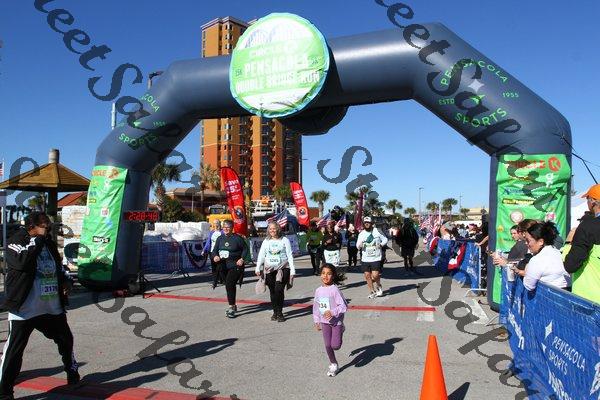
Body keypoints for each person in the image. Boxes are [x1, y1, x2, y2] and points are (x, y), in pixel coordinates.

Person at [1, 212, 79, 400]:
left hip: (50, 306)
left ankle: (72, 370)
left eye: (49, 226)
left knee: (65, 340)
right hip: (25, 309)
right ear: (32, 226)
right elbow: (20, 262)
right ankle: (4, 392)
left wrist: (66, 280)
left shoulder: (48, 244)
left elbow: (58, 267)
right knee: (14, 351)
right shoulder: (15, 242)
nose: (48, 229)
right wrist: (37, 240)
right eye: (45, 226)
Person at [563, 184, 600, 303]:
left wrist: (568, 242)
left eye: (587, 199)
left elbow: (570, 265)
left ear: (593, 201)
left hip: (590, 301)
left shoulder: (588, 226)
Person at [255, 222, 296, 322]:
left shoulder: (284, 240)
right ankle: (275, 312)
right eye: (270, 229)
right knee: (272, 291)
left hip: (283, 268)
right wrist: (257, 267)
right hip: (269, 269)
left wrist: (292, 269)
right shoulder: (266, 241)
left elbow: (289, 255)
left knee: (279, 289)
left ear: (278, 229)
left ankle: (280, 312)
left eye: (274, 228)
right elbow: (261, 255)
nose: (272, 230)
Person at [312, 263, 347, 377]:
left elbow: (344, 306)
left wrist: (332, 312)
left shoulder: (334, 290)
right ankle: (333, 364)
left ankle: (341, 329)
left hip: (336, 322)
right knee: (327, 345)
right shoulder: (318, 291)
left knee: (335, 346)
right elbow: (316, 307)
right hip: (324, 322)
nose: (325, 276)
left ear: (333, 275)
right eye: (323, 273)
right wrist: (316, 320)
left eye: (329, 274)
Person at [514, 222, 569, 291]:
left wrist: (527, 268)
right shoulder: (558, 252)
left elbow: (529, 286)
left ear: (541, 242)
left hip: (549, 296)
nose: (526, 243)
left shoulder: (537, 260)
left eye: (528, 240)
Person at [211, 220, 248, 318]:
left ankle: (231, 307)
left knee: (229, 284)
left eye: (228, 227)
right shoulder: (220, 238)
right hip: (223, 266)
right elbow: (214, 251)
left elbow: (245, 249)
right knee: (229, 285)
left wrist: (242, 259)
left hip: (235, 265)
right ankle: (233, 304)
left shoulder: (237, 238)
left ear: (232, 228)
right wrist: (215, 256)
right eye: (224, 227)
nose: (226, 229)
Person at [356, 216, 388, 298]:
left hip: (376, 257)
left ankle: (379, 285)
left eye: (368, 223)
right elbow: (357, 245)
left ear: (371, 223)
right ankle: (372, 291)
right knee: (367, 276)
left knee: (375, 275)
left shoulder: (377, 231)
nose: (367, 224)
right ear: (363, 224)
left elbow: (385, 239)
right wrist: (360, 245)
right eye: (365, 223)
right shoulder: (361, 234)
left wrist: (381, 245)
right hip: (365, 258)